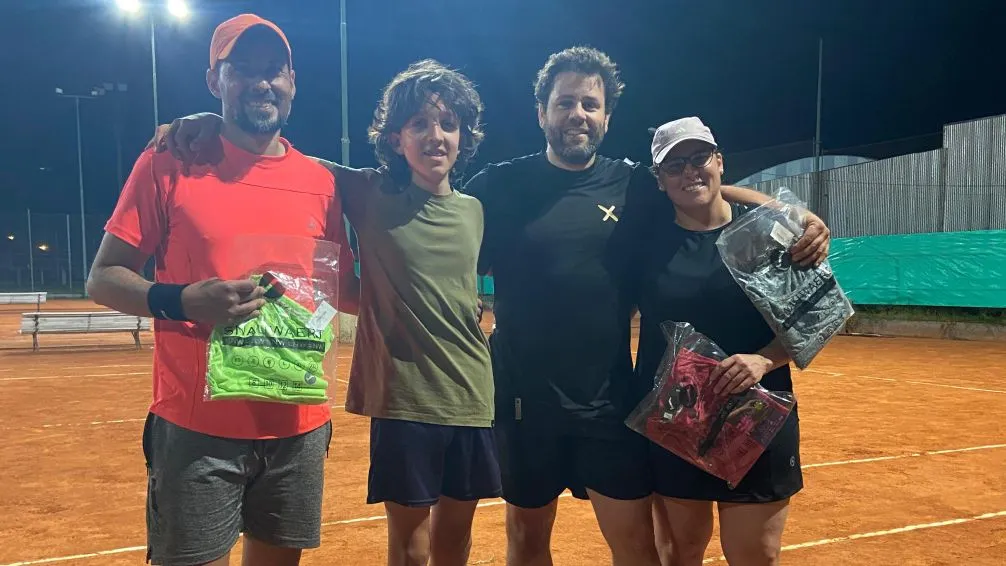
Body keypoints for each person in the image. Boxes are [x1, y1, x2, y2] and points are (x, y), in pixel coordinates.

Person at [461, 46, 829, 566]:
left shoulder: (634, 183)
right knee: (525, 538)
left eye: (590, 104)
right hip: (523, 402)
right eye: (565, 103)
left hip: (612, 403)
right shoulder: (499, 185)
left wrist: (797, 215)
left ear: (607, 115)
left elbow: (704, 189)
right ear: (541, 111)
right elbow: (446, 229)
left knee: (637, 547)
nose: (577, 115)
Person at [152, 59, 499, 566]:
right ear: (395, 136)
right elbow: (278, 159)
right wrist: (210, 124)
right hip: (404, 402)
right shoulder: (368, 192)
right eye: (419, 123)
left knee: (456, 542)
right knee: (409, 546)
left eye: (448, 124)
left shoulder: (475, 210)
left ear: (465, 135)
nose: (435, 136)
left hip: (472, 395)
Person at [87, 14, 358, 566]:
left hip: (298, 426)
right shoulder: (171, 160)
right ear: (216, 81)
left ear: (293, 81)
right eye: (244, 70)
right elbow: (104, 277)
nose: (263, 83)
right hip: (197, 429)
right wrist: (182, 299)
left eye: (274, 71)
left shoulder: (321, 182)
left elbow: (335, 290)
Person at [632, 116, 804, 566]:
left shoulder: (767, 234)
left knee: (756, 555)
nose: (689, 172)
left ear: (719, 161)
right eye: (674, 166)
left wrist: (765, 360)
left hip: (757, 414)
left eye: (698, 158)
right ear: (659, 180)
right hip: (675, 421)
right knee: (680, 553)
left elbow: (812, 320)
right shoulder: (643, 241)